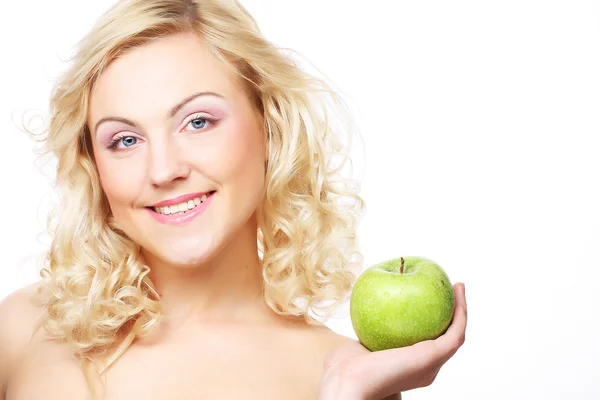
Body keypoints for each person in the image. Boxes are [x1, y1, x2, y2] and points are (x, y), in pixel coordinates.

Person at [0, 0, 467, 399]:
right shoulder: (23, 328)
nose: (163, 171)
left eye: (197, 122)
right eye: (124, 140)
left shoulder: (340, 373)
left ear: (269, 127)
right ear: (94, 167)